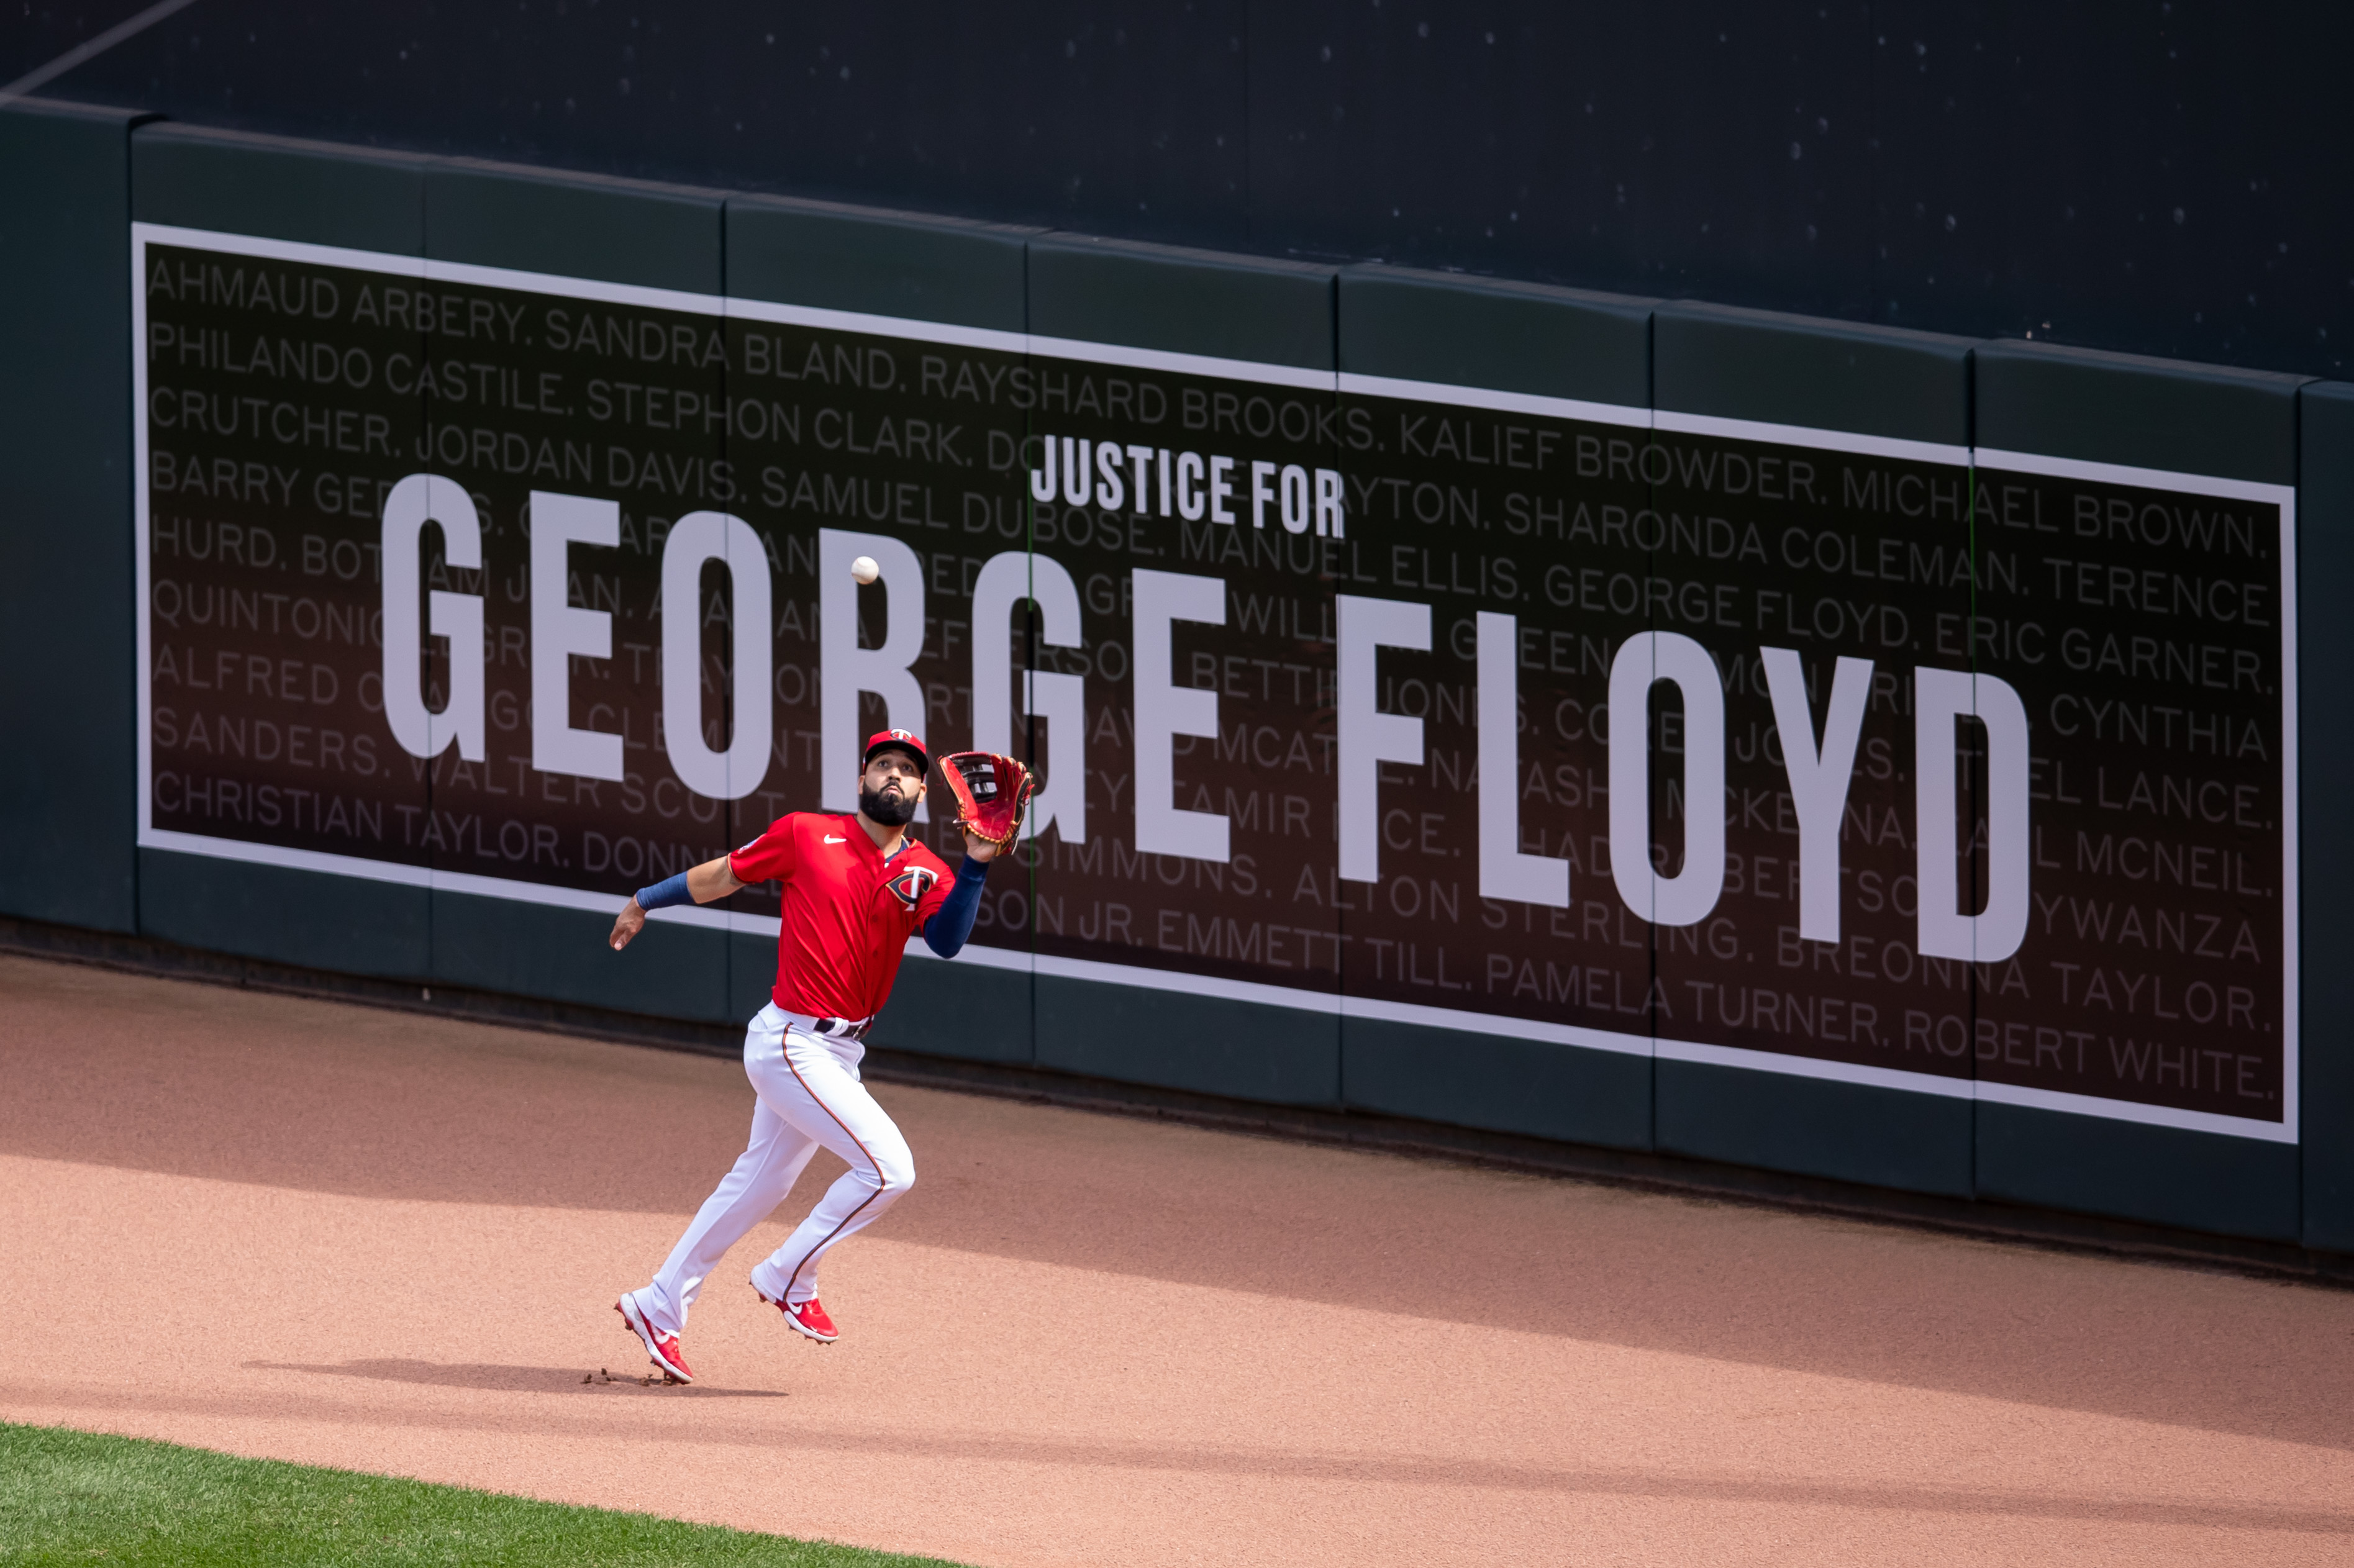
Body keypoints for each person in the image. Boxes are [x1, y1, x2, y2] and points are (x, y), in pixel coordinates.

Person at [606, 728, 996, 1382]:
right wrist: (646, 899)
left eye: (907, 769)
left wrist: (979, 863)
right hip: (790, 1040)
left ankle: (658, 1303)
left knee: (759, 1184)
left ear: (923, 790)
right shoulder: (805, 833)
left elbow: (948, 940)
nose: (894, 776)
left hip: (838, 1053)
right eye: (883, 765)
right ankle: (789, 1271)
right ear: (861, 779)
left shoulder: (928, 868)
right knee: (888, 1168)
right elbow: (727, 874)